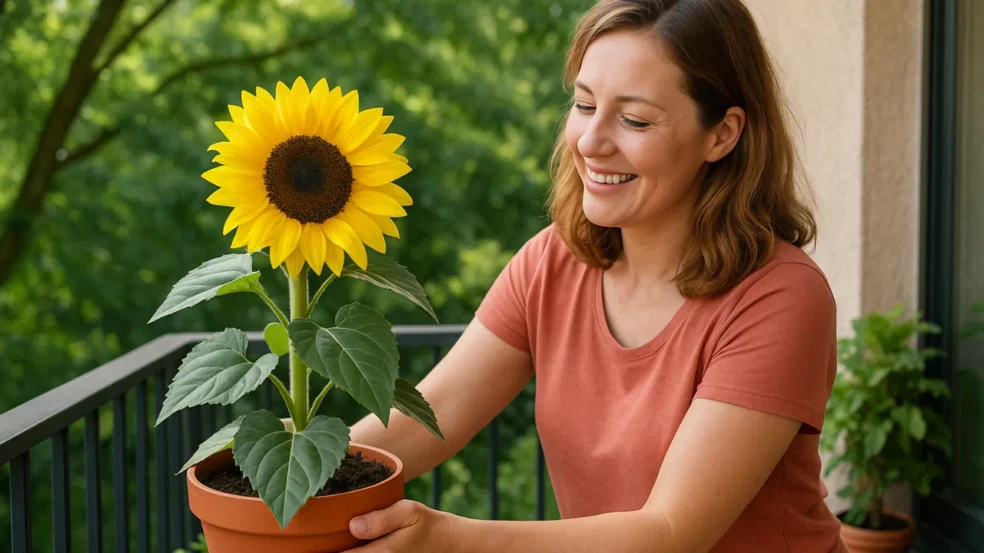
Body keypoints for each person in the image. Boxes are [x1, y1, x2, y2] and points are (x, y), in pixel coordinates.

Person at [342, 0, 846, 551]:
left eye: (634, 119)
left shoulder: (781, 297)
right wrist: (286, 475)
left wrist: (450, 541)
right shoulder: (552, 263)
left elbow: (671, 533)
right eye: (584, 105)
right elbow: (428, 417)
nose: (589, 141)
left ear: (722, 134)